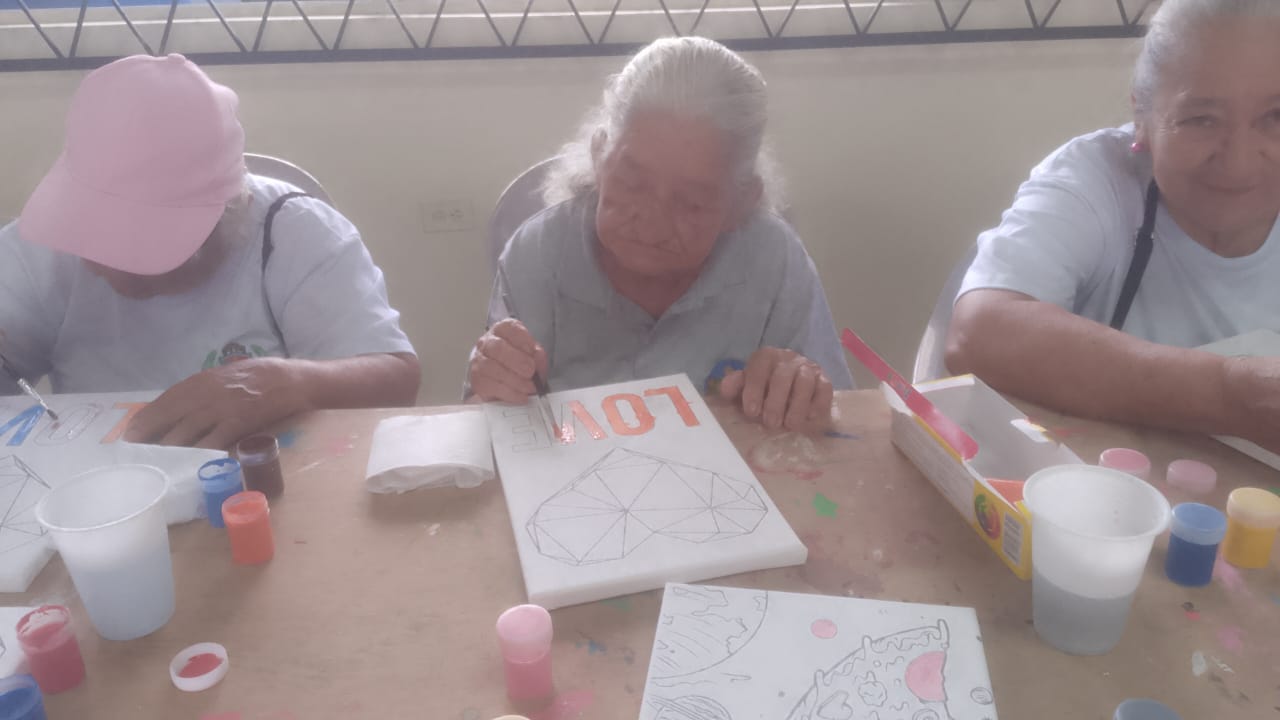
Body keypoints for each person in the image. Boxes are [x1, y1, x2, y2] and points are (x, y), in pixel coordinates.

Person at [0, 54, 420, 449]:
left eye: (139, 243)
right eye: (92, 234)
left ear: (227, 215)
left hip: (265, 479)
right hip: (96, 485)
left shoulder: (295, 233)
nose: (103, 265)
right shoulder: (42, 248)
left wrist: (292, 382)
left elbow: (397, 378)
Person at [467, 37, 853, 432]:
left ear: (742, 201)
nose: (652, 225)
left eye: (691, 203)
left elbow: (837, 419)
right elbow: (487, 417)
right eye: (631, 183)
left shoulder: (775, 261)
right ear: (599, 155)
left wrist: (804, 391)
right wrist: (495, 380)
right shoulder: (538, 254)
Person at [947, 0, 1280, 450]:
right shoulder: (1096, 180)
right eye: (1200, 120)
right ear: (1142, 117)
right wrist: (1236, 396)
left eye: (1276, 117)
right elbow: (979, 333)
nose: (1239, 163)